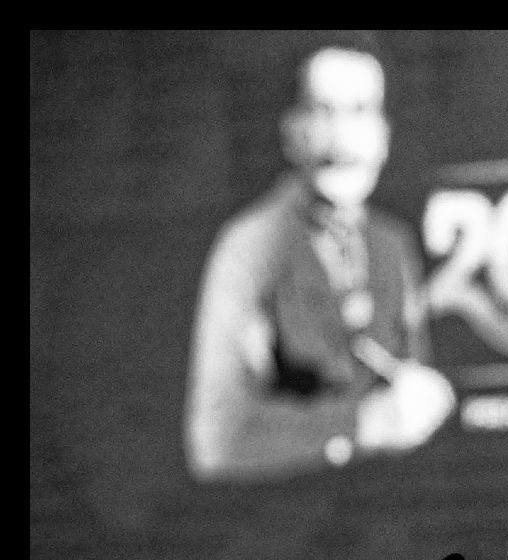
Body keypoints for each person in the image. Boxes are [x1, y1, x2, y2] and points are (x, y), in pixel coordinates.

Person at [183, 43, 454, 483]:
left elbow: (407, 385)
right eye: (322, 111)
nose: (341, 138)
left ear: (385, 135)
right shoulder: (250, 245)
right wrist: (361, 426)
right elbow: (217, 441)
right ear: (290, 131)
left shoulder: (392, 245)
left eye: (360, 111)